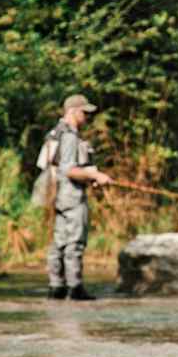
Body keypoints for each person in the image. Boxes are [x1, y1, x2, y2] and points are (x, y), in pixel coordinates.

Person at [44, 94, 112, 300]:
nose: (87, 117)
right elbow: (69, 170)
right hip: (71, 195)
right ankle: (75, 287)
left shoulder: (55, 133)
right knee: (75, 242)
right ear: (72, 111)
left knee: (60, 240)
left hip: (56, 194)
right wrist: (96, 175)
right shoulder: (70, 136)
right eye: (85, 112)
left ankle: (56, 286)